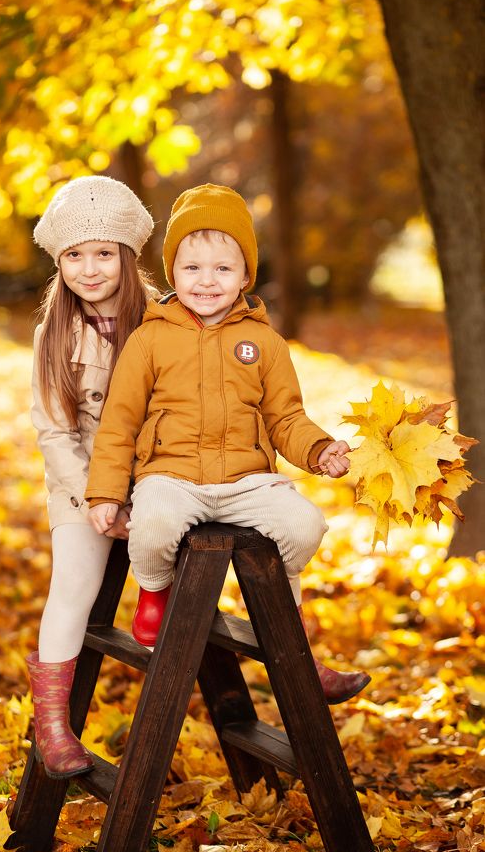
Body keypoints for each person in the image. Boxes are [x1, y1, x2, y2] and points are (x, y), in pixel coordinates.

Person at [86, 183, 370, 704]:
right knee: (151, 522)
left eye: (222, 268)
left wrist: (319, 449)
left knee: (304, 523)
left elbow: (285, 416)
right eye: (192, 268)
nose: (207, 281)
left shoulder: (264, 342)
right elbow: (119, 421)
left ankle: (288, 628)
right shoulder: (150, 339)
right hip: (170, 476)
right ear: (173, 273)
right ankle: (153, 591)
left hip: (247, 480)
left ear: (245, 275)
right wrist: (105, 491)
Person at [28, 175, 154, 778]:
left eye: (103, 252)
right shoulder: (53, 334)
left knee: (201, 548)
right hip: (79, 476)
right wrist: (95, 497)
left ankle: (160, 607)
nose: (89, 268)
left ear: (127, 256)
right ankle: (53, 725)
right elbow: (55, 433)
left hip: (157, 472)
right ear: (59, 263)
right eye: (74, 256)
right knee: (75, 579)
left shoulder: (164, 319)